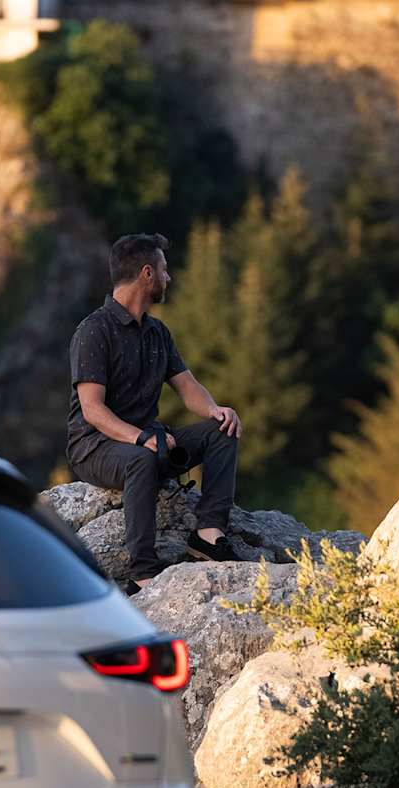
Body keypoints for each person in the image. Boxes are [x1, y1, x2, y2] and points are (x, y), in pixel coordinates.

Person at [66, 233, 243, 595]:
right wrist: (141, 437)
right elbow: (92, 410)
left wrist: (215, 410)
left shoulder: (158, 332)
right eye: (164, 269)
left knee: (221, 430)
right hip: (94, 447)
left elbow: (187, 385)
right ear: (147, 273)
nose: (169, 277)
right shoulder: (93, 330)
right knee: (139, 461)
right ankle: (143, 573)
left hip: (148, 441)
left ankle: (208, 535)